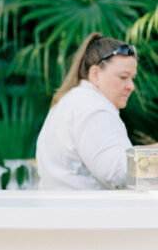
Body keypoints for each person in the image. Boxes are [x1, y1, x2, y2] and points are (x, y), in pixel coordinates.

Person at [36, 33, 137, 190]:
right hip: (87, 213)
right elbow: (120, 173)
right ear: (95, 74)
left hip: (65, 211)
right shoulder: (94, 110)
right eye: (123, 77)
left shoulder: (75, 101)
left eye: (132, 78)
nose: (131, 86)